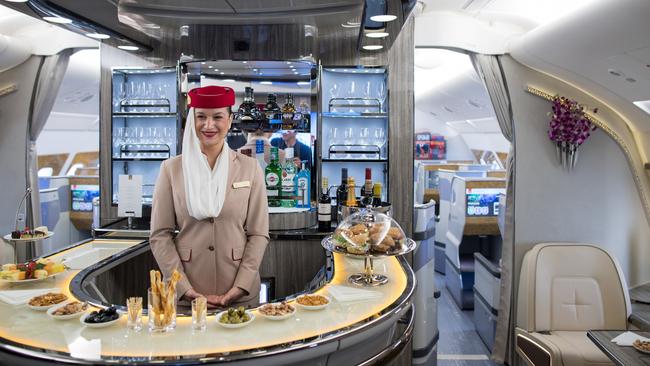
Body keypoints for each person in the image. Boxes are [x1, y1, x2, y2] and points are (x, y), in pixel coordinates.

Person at [150, 85, 269, 308]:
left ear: (230, 120)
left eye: (217, 117)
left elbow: (259, 233)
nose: (209, 125)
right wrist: (184, 289)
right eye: (201, 117)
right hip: (188, 289)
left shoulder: (249, 168)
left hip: (239, 291)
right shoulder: (171, 169)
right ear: (191, 121)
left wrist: (241, 286)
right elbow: (160, 235)